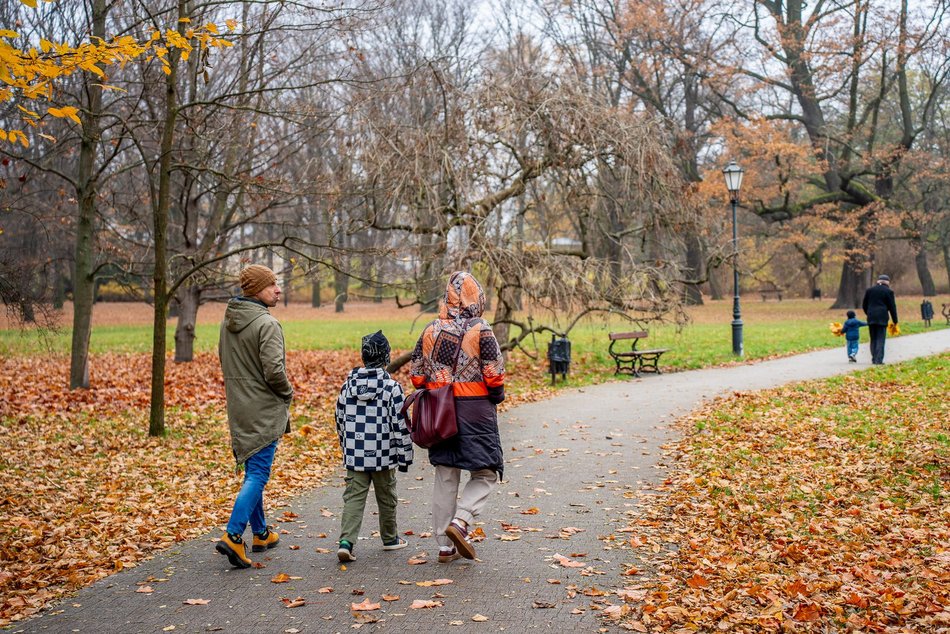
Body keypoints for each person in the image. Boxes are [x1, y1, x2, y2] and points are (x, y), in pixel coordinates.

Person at [409, 272, 505, 563]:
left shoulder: (430, 329)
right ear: (476, 297)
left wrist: (439, 383)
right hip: (475, 410)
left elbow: (416, 376)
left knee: (446, 474)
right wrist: (496, 394)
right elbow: (494, 372)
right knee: (487, 471)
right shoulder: (481, 329)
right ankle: (461, 521)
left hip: (440, 412)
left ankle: (444, 545)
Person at [215, 264, 293, 568]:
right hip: (263, 408)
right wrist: (287, 393)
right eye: (271, 284)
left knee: (253, 470)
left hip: (239, 406)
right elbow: (275, 371)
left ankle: (260, 533)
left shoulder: (227, 322)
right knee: (259, 473)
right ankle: (233, 536)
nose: (277, 289)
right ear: (256, 290)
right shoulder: (267, 324)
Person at [335, 330, 413, 562]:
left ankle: (346, 542)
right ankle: (390, 539)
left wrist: (346, 447)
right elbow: (400, 424)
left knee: (354, 498)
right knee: (387, 497)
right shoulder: (392, 388)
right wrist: (405, 456)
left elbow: (340, 419)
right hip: (384, 455)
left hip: (356, 455)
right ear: (386, 357)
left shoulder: (348, 386)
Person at [862, 274, 899, 365]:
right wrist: (895, 321)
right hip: (882, 317)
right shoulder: (888, 292)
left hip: (871, 317)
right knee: (880, 338)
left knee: (873, 338)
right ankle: (878, 360)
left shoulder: (869, 290)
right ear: (887, 282)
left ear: (878, 281)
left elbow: (864, 305)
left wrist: (869, 313)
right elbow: (892, 307)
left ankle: (874, 358)